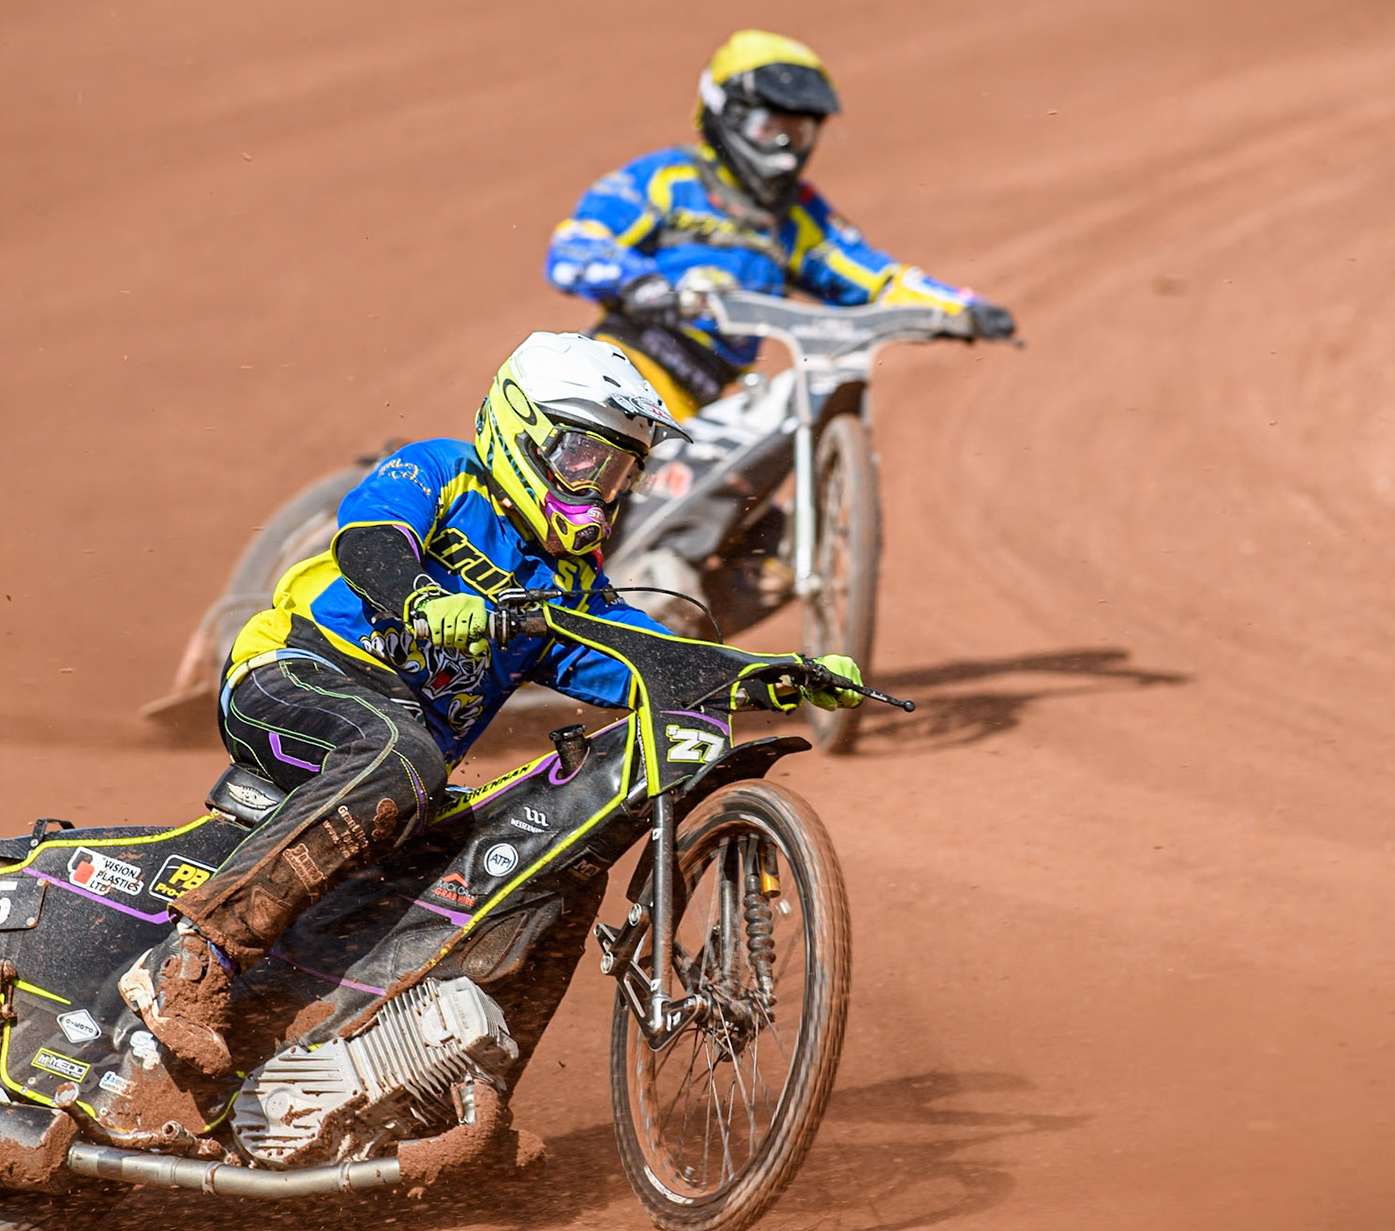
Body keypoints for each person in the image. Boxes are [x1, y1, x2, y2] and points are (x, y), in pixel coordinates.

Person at [120, 332, 864, 1075]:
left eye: (617, 474)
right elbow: (370, 540)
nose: (598, 491)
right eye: (584, 459)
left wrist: (769, 674)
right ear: (521, 428)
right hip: (295, 675)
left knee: (552, 868)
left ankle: (460, 1089)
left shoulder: (570, 579)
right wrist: (420, 599)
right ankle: (193, 959)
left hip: (403, 761)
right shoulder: (443, 470)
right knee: (402, 757)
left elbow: (647, 658)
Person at [545, 28, 1016, 423]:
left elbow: (877, 279)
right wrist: (640, 284)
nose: (786, 151)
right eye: (772, 130)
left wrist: (961, 308)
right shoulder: (670, 179)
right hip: (621, 369)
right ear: (730, 114)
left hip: (710, 406)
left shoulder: (799, 217)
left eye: (799, 134)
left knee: (763, 494)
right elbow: (576, 244)